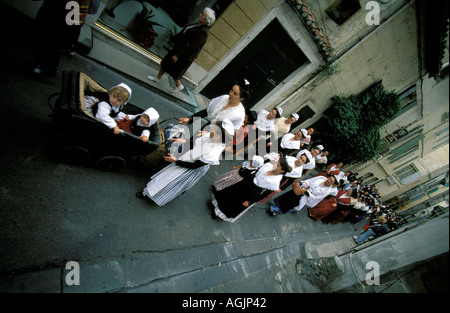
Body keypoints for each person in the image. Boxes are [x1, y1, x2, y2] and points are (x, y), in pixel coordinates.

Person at [136, 120, 233, 206]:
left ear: (218, 135)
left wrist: (176, 161)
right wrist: (184, 141)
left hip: (191, 167)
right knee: (169, 177)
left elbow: (194, 166)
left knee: (169, 180)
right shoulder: (212, 135)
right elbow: (196, 143)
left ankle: (148, 193)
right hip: (189, 158)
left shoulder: (213, 152)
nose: (211, 129)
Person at [147, 7, 216, 92]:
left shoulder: (203, 32)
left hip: (184, 54)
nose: (200, 14)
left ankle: (179, 86)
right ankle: (157, 78)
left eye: (203, 15)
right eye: (202, 13)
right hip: (179, 48)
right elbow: (185, 31)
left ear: (206, 20)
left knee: (176, 73)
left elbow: (193, 47)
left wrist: (178, 55)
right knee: (165, 63)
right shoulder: (198, 25)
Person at [212, 158, 292, 223]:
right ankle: (217, 205)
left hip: (251, 192)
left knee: (234, 202)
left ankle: (219, 213)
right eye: (276, 163)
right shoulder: (268, 166)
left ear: (282, 171)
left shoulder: (275, 182)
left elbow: (264, 194)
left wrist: (251, 201)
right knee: (230, 193)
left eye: (278, 165)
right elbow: (256, 171)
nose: (275, 165)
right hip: (246, 182)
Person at [31, 0, 94, 77]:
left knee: (55, 39)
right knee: (52, 38)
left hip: (68, 12)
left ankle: (47, 67)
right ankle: (45, 65)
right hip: (66, 10)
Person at [177, 80, 249, 133]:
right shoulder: (224, 98)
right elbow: (207, 111)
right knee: (188, 144)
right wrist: (190, 119)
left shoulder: (239, 115)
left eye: (235, 93)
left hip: (214, 140)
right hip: (206, 129)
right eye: (231, 90)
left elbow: (228, 134)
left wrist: (210, 135)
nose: (230, 93)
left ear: (242, 98)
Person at [269, 174, 339, 216]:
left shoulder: (327, 191)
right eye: (330, 178)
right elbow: (309, 181)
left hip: (306, 197)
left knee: (291, 205)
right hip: (301, 190)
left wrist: (308, 193)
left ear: (332, 184)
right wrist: (301, 183)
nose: (328, 180)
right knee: (287, 198)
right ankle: (275, 206)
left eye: (331, 181)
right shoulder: (321, 178)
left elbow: (316, 198)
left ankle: (276, 212)